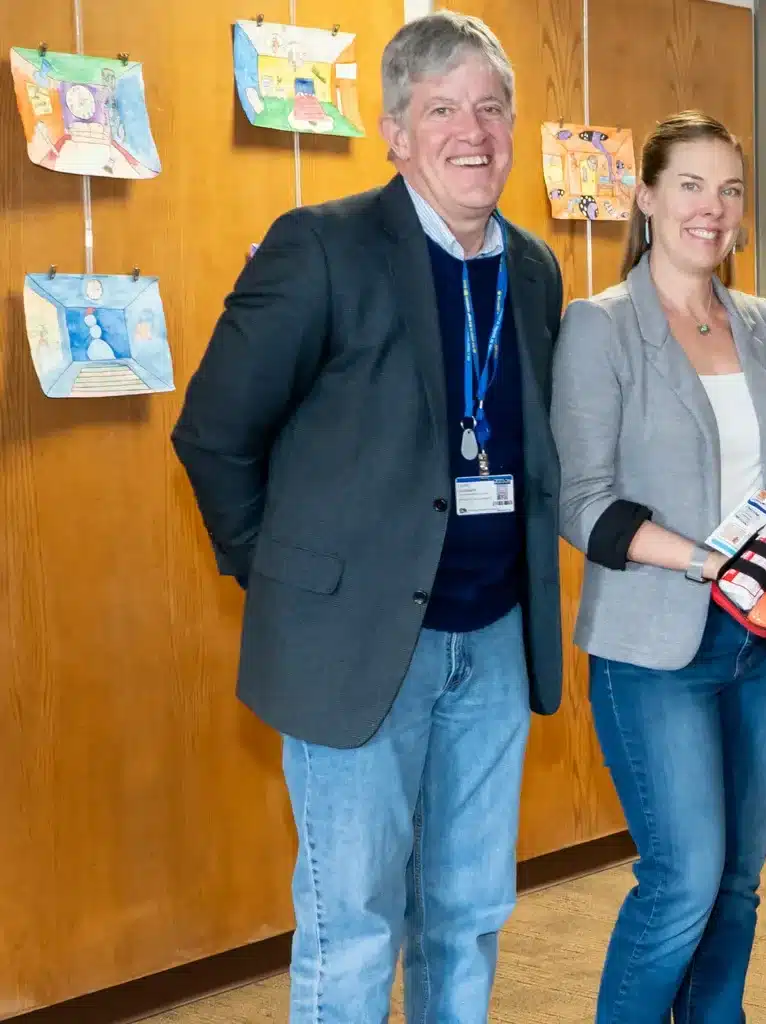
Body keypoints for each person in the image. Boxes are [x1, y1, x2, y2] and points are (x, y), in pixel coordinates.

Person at [169, 12, 563, 1023]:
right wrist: (290, 579)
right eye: (441, 109)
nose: (471, 132)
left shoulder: (532, 267)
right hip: (355, 648)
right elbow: (214, 432)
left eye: (489, 107)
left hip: (495, 643)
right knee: (354, 923)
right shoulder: (323, 249)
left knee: (467, 912)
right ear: (393, 130)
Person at [550, 110, 766, 1024]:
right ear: (648, 197)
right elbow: (580, 500)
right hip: (654, 645)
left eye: (730, 189)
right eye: (692, 186)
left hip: (764, 642)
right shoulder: (602, 327)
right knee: (683, 883)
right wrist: (705, 560)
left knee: (739, 882)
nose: (714, 208)